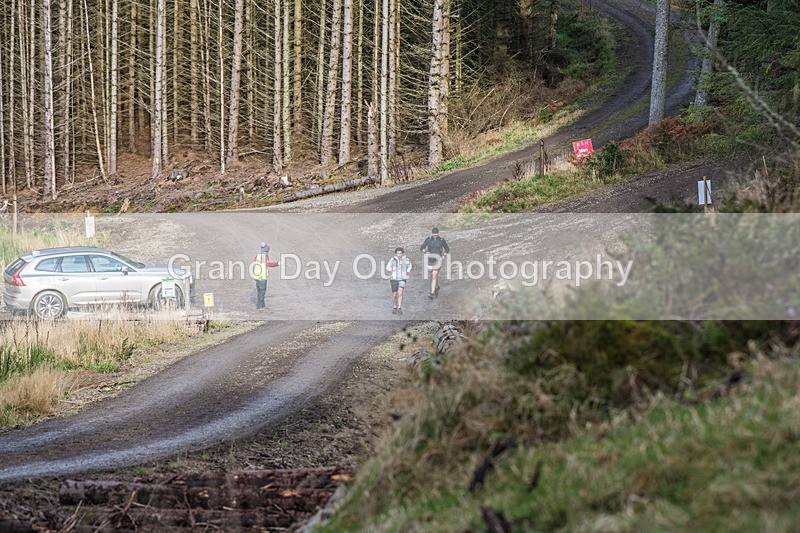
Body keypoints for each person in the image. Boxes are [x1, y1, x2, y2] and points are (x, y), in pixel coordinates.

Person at [420, 227, 449, 300]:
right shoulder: (428, 239)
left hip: (438, 260)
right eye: (434, 233)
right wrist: (425, 252)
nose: (435, 235)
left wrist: (444, 256)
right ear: (432, 233)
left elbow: (447, 249)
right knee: (433, 276)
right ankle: (436, 286)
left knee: (434, 276)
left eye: (436, 233)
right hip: (430, 260)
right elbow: (422, 248)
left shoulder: (441, 240)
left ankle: (432, 293)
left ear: (438, 233)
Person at [252, 242, 280, 309]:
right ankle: (260, 307)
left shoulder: (258, 255)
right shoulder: (264, 256)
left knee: (259, 292)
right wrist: (277, 263)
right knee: (262, 292)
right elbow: (268, 264)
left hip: (257, 277)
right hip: (262, 277)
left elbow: (255, 260)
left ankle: (261, 306)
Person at [386, 247, 412, 315]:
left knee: (400, 293)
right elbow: (387, 267)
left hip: (402, 278)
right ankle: (395, 306)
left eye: (400, 253)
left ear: (402, 253)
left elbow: (410, 265)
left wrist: (407, 272)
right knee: (394, 295)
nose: (399, 255)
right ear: (396, 253)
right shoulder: (393, 259)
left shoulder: (405, 259)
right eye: (398, 253)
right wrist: (392, 269)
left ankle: (399, 307)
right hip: (394, 278)